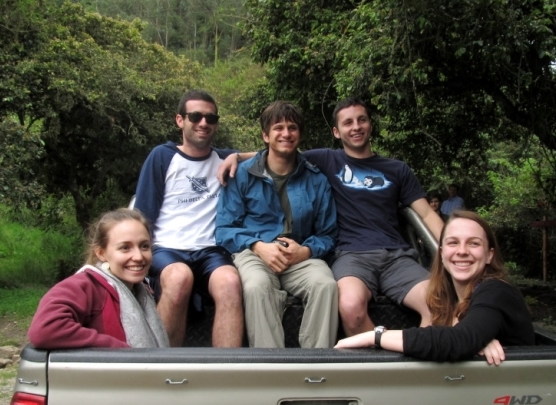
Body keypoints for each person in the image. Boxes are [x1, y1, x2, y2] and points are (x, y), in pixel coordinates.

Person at [219, 98, 444, 337]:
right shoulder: (327, 160)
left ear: (370, 125)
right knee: (343, 305)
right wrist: (235, 156)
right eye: (348, 122)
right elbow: (280, 150)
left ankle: (408, 358)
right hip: (350, 255)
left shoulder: (396, 169)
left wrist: (452, 249)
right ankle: (273, 369)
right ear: (336, 132)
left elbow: (427, 214)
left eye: (362, 120)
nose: (356, 127)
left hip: (395, 256)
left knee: (440, 303)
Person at [335, 210, 534, 364]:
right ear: (441, 251)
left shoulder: (495, 291)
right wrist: (478, 338)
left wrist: (376, 336)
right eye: (453, 243)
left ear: (490, 254)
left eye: (473, 244)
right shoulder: (447, 295)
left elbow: (458, 341)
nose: (462, 251)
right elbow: (446, 340)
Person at [216, 101, 338, 348]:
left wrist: (305, 251)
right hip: (254, 253)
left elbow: (328, 233)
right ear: (265, 135)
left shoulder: (316, 179)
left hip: (299, 255)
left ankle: (316, 367)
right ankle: (270, 370)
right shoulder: (242, 174)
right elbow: (224, 229)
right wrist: (258, 246)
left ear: (299, 135)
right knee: (257, 287)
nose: (286, 133)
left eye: (292, 128)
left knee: (326, 285)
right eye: (278, 128)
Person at [134, 89, 243, 347]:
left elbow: (271, 155)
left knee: (230, 282)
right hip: (167, 249)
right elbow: (142, 216)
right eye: (195, 116)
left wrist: (238, 156)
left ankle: (226, 375)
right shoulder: (162, 156)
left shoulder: (224, 159)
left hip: (210, 250)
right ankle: (161, 367)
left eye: (211, 118)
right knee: (179, 277)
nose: (203, 123)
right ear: (180, 120)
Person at [28, 209, 169, 349]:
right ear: (101, 253)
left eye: (144, 246)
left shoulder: (142, 289)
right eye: (125, 248)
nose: (138, 256)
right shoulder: (85, 285)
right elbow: (44, 330)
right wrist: (119, 350)